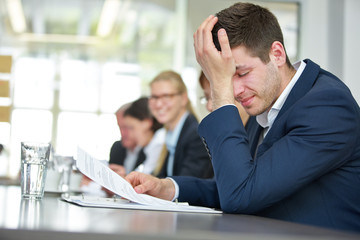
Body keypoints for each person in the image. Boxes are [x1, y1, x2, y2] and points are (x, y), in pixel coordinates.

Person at [125, 2, 360, 232]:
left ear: (277, 54)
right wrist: (170, 188)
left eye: (242, 73)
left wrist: (222, 97)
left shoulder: (327, 107)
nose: (235, 91)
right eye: (227, 79)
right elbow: (236, 183)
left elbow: (240, 195)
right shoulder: (269, 103)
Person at [149, 70, 213, 178]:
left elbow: (186, 184)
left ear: (183, 98)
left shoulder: (196, 136)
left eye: (166, 96)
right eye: (154, 97)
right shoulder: (171, 134)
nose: (159, 104)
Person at [123, 97, 166, 174]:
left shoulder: (159, 142)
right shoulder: (149, 148)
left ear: (147, 123)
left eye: (132, 128)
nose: (130, 135)